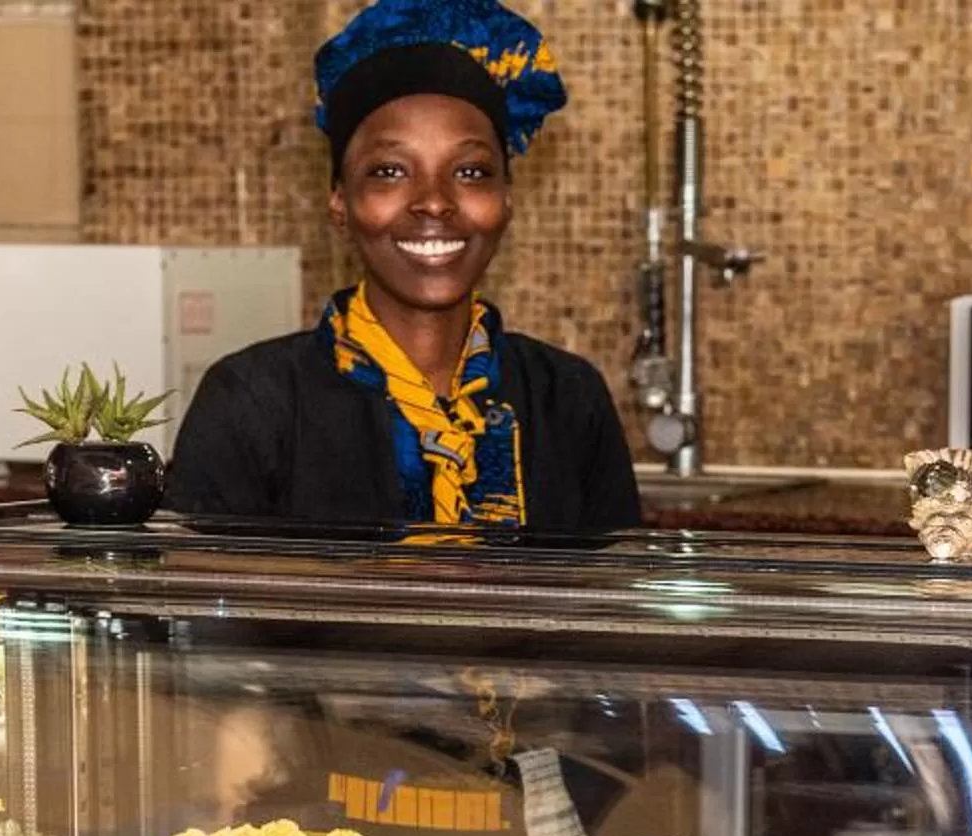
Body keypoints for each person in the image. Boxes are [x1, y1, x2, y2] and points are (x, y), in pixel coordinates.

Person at [167, 0, 642, 532]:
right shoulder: (254, 401)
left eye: (471, 171)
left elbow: (620, 581)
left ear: (507, 200)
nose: (434, 201)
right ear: (340, 202)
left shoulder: (568, 399)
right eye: (390, 171)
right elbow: (197, 585)